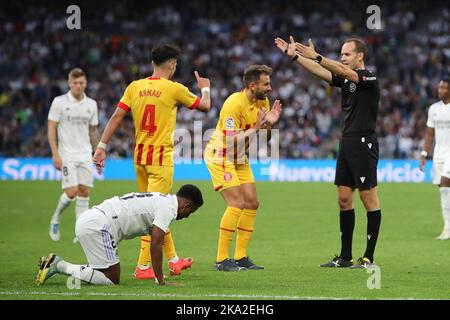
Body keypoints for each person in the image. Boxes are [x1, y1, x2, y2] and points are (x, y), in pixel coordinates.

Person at [92, 44, 211, 279]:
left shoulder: (135, 87)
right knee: (158, 212)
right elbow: (205, 107)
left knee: (154, 208)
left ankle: (174, 260)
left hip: (139, 158)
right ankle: (143, 267)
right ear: (172, 65)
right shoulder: (174, 88)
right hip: (160, 160)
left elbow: (117, 116)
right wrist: (205, 89)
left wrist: (101, 146)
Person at [275, 36, 381, 268]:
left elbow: (339, 69)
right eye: (341, 54)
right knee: (344, 199)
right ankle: (345, 257)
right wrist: (295, 56)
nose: (343, 57)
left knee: (367, 198)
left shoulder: (369, 77)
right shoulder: (345, 80)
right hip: (347, 142)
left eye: (347, 54)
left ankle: (368, 258)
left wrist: (319, 56)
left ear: (360, 56)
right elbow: (319, 71)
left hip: (364, 142)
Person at [36, 184, 203, 286]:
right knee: (112, 279)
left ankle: (55, 265)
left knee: (101, 273)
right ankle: (58, 265)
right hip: (99, 226)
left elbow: (157, 237)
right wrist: (160, 279)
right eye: (191, 211)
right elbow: (156, 244)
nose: (188, 216)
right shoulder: (169, 208)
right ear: (186, 206)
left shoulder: (163, 200)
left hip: (93, 220)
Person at [205, 64, 282, 271]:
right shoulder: (233, 103)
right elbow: (230, 142)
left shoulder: (262, 101)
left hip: (239, 157)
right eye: (266, 84)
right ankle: (221, 260)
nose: (270, 88)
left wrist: (270, 124)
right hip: (221, 154)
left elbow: (264, 139)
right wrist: (257, 127)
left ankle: (240, 257)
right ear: (252, 85)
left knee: (252, 202)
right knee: (236, 203)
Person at [47, 68, 100, 243]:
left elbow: (93, 130)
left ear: (85, 83)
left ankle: (80, 231)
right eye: (75, 83)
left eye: (81, 83)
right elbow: (51, 128)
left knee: (84, 191)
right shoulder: (59, 102)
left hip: (85, 153)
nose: (78, 86)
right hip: (67, 153)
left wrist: (98, 151)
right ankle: (55, 218)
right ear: (69, 83)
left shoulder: (91, 104)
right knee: (71, 192)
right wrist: (55, 153)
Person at [419, 78, 450, 240]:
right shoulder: (433, 109)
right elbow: (430, 133)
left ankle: (447, 228)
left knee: (446, 182)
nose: (440, 90)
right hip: (439, 153)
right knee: (443, 188)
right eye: (439, 87)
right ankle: (448, 224)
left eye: (444, 87)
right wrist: (424, 153)